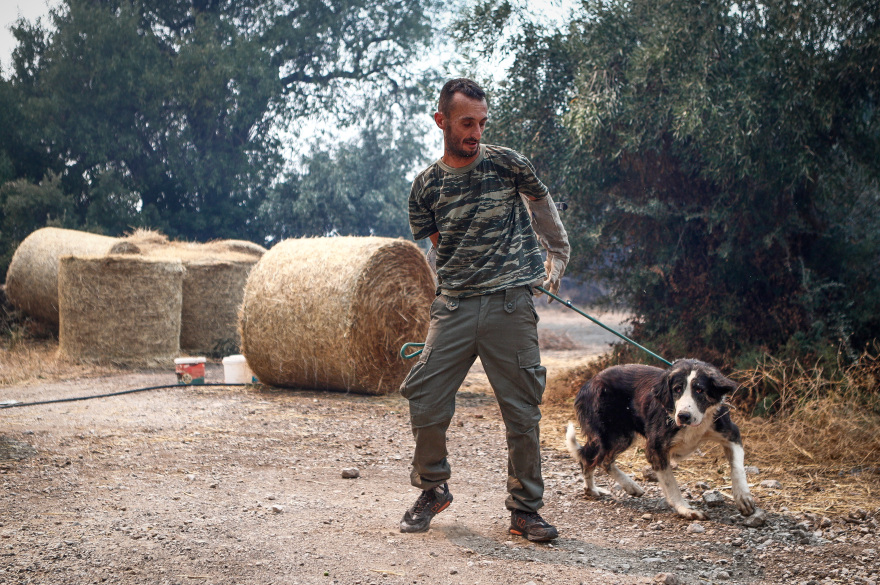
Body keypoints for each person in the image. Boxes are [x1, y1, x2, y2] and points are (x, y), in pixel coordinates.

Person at [399, 78, 570, 542]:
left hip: (511, 306)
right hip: (452, 308)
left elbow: (543, 208)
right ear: (442, 122)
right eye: (466, 123)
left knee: (522, 412)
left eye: (481, 122)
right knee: (425, 398)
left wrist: (553, 263)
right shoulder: (425, 188)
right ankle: (433, 487)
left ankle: (525, 511)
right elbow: (442, 247)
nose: (475, 132)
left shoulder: (509, 164)